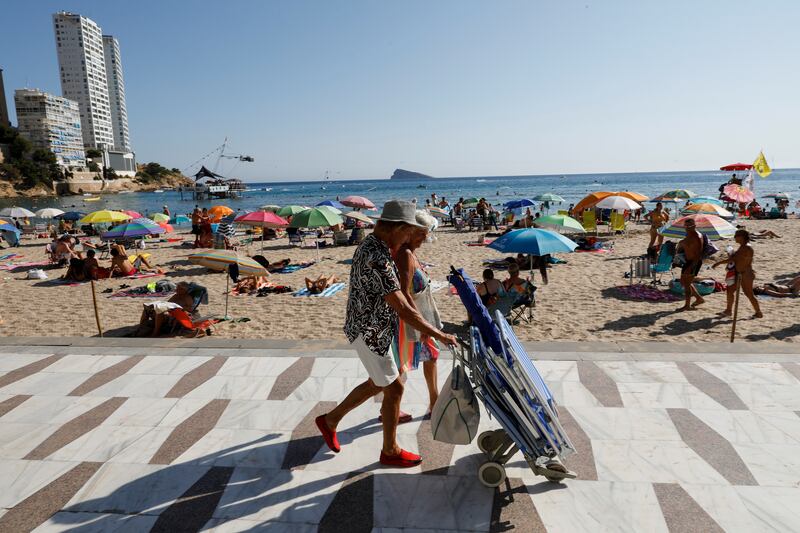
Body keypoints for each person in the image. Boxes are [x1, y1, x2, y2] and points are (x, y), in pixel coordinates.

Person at [316, 200, 456, 468]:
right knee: (394, 387)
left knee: (380, 383)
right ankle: (389, 450)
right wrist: (436, 332)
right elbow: (402, 304)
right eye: (408, 232)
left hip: (371, 328)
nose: (408, 239)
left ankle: (331, 420)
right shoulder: (377, 257)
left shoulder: (372, 244)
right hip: (369, 332)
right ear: (398, 228)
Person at [393, 210, 443, 417]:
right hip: (410, 321)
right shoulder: (404, 254)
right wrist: (420, 324)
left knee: (407, 362)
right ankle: (392, 408)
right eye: (422, 234)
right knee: (400, 364)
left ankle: (433, 402)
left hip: (413, 319)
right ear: (411, 232)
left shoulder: (408, 252)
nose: (426, 238)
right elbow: (404, 292)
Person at [712, 229, 763, 318]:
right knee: (730, 290)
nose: (735, 237)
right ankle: (728, 311)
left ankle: (758, 312)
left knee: (749, 294)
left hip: (746, 274)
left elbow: (733, 259)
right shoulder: (743, 246)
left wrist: (718, 263)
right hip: (739, 273)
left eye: (736, 236)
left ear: (742, 237)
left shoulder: (746, 247)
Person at [677, 219, 704, 311]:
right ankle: (699, 298)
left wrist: (691, 266)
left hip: (693, 262)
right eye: (686, 226)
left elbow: (698, 254)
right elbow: (687, 245)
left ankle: (687, 305)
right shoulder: (689, 234)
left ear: (694, 226)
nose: (687, 228)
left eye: (689, 226)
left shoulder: (697, 236)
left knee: (687, 284)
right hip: (688, 261)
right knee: (684, 282)